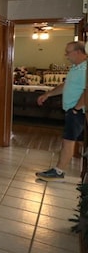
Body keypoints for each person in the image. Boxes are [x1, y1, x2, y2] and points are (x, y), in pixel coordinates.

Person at [35, 41, 87, 179]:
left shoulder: (85, 69)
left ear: (78, 52)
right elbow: (66, 85)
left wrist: (76, 109)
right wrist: (48, 94)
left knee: (68, 140)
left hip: (78, 112)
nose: (66, 55)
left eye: (68, 52)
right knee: (81, 141)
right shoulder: (76, 68)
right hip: (74, 111)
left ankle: (58, 171)